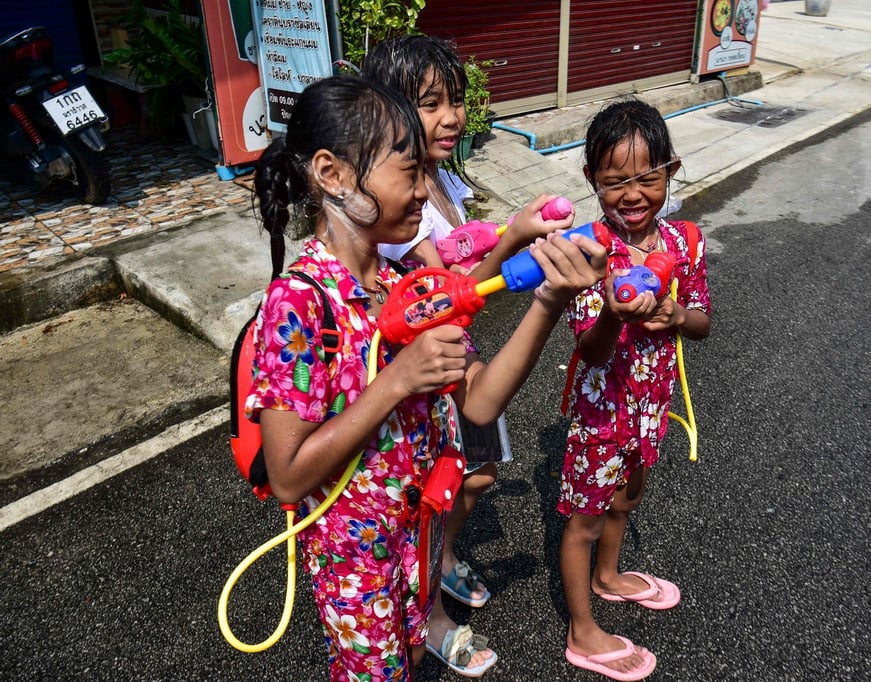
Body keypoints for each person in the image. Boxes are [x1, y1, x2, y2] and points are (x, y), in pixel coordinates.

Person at [245, 74, 606, 682]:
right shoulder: (299, 305)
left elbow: (481, 403)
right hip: (356, 565)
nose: (422, 193)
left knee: (412, 657)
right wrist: (395, 383)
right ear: (332, 176)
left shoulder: (395, 285)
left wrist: (548, 300)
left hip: (418, 541)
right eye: (408, 173)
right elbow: (287, 477)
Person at [361, 34, 572, 677]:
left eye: (455, 100)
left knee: (474, 475)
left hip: (460, 353)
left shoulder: (442, 180)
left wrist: (516, 246)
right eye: (431, 103)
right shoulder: (396, 203)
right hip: (426, 365)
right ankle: (431, 613)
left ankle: (441, 560)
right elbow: (446, 296)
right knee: (432, 489)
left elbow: (462, 274)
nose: (451, 117)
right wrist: (513, 241)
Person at [557, 98, 712, 681]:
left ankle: (609, 576)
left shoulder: (686, 242)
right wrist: (615, 318)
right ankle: (581, 628)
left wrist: (673, 314)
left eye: (647, 177)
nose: (633, 193)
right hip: (601, 414)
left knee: (628, 496)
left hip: (652, 409)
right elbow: (589, 350)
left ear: (670, 170)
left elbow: (702, 322)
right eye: (615, 180)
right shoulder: (587, 251)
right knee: (584, 519)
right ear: (591, 180)